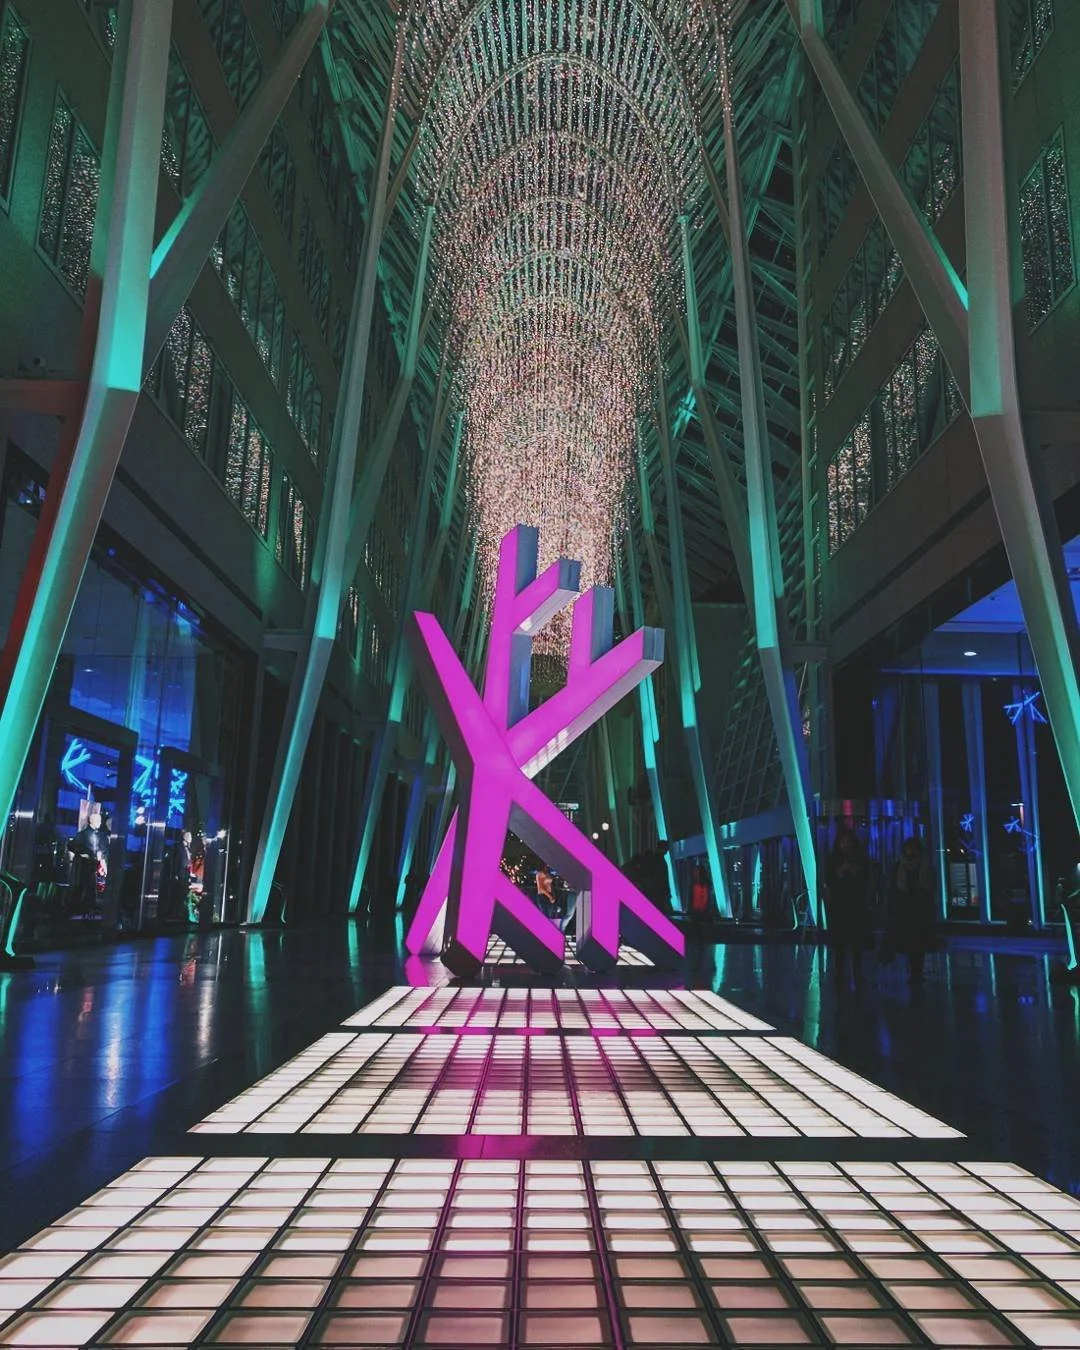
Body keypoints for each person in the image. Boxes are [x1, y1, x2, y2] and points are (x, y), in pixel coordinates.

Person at [824, 827, 873, 989]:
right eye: (843, 841)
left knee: (856, 941)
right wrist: (839, 872)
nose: (846, 845)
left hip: (856, 904)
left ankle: (857, 972)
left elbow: (867, 878)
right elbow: (828, 879)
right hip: (839, 905)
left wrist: (854, 871)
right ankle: (840, 973)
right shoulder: (833, 859)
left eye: (848, 841)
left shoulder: (860, 858)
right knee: (840, 942)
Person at [888, 836, 936, 986]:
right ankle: (914, 970)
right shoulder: (900, 865)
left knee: (919, 941)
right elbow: (894, 886)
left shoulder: (925, 864)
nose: (910, 851)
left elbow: (931, 886)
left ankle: (917, 971)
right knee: (910, 940)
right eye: (908, 848)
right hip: (905, 907)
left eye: (913, 848)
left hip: (920, 907)